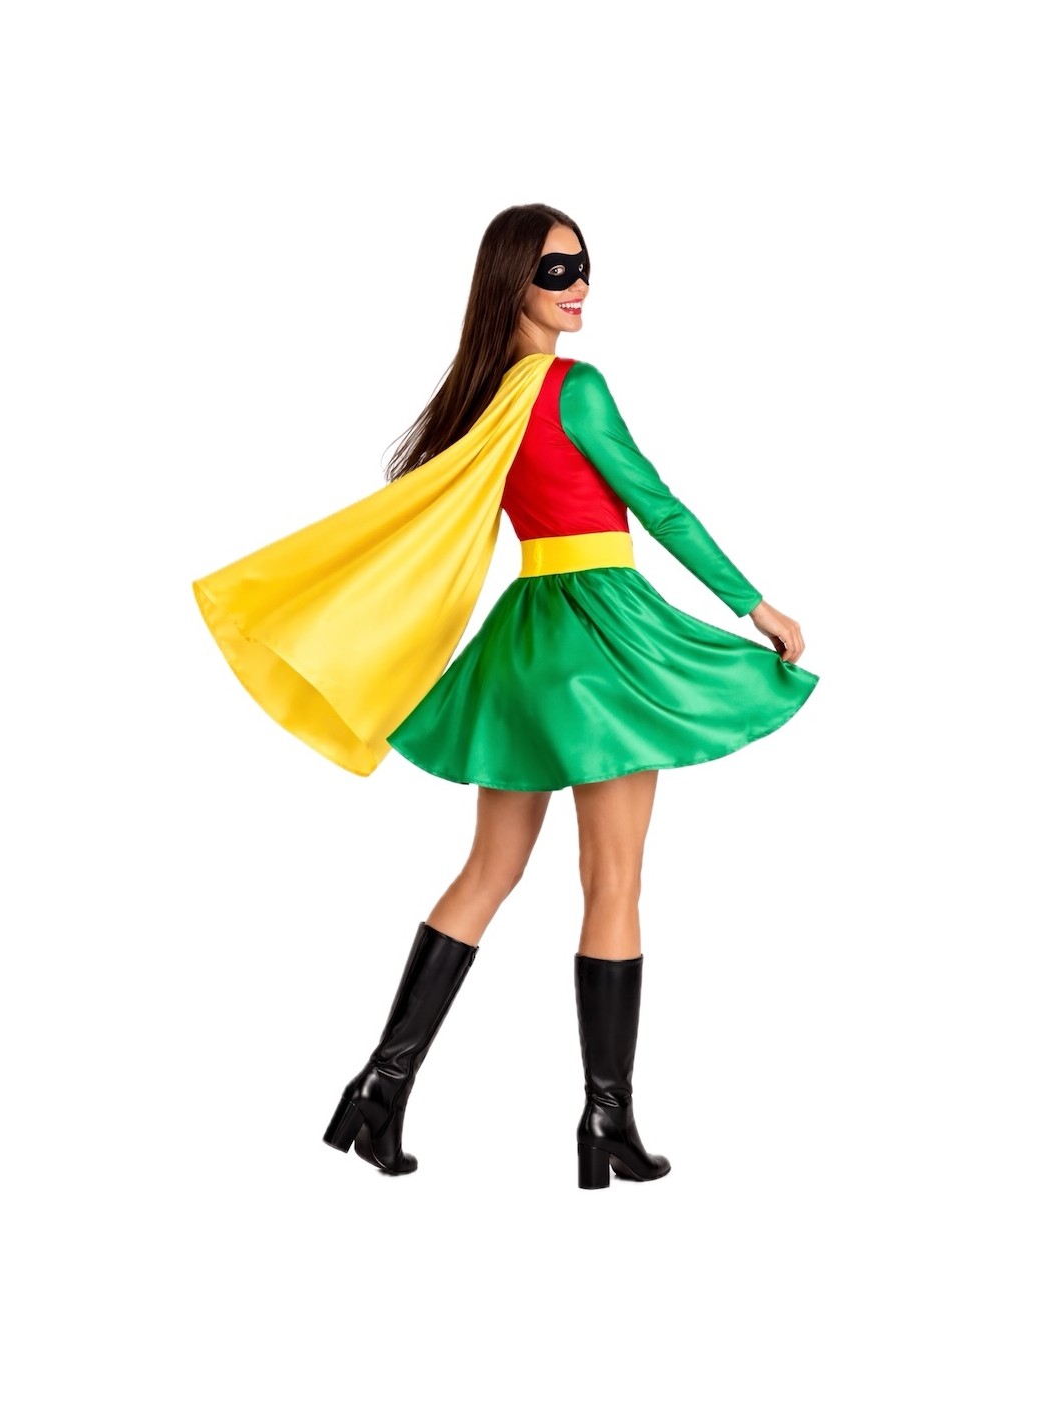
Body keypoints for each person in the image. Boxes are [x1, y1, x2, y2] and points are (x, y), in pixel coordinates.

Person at [191, 202, 819, 1190]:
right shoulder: (573, 387)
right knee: (613, 882)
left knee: (487, 873)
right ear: (511, 280)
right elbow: (655, 505)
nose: (579, 283)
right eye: (556, 269)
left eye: (583, 264)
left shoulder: (480, 402)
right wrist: (754, 604)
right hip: (603, 642)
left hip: (524, 643)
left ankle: (377, 1089)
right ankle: (605, 1122)